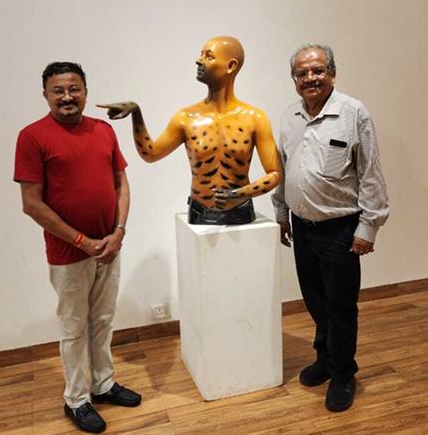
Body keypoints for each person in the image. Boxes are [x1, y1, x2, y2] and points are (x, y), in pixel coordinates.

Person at [14, 62, 141, 433]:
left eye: (74, 89)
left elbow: (121, 184)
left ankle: (102, 384)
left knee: (102, 321)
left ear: (85, 91)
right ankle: (76, 399)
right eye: (58, 90)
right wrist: (83, 242)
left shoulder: (103, 130)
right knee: (74, 328)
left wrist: (119, 232)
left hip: (110, 247)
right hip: (69, 254)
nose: (67, 97)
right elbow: (31, 204)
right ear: (45, 95)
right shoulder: (32, 137)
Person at [272, 44, 389, 412]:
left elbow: (370, 173)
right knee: (314, 300)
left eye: (318, 70)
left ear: (333, 74)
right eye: (302, 73)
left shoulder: (353, 112)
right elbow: (282, 169)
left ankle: (342, 375)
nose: (310, 78)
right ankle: (325, 358)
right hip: (301, 227)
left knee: (340, 306)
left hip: (340, 228)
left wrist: (368, 227)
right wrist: (280, 212)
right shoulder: (289, 116)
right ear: (294, 79)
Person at [97, 36, 282, 225]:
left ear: (231, 66)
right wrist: (136, 114)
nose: (198, 61)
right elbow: (150, 154)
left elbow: (275, 173)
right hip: (200, 213)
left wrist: (237, 194)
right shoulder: (186, 117)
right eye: (201, 55)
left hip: (240, 212)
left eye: (209, 56)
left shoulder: (255, 118)